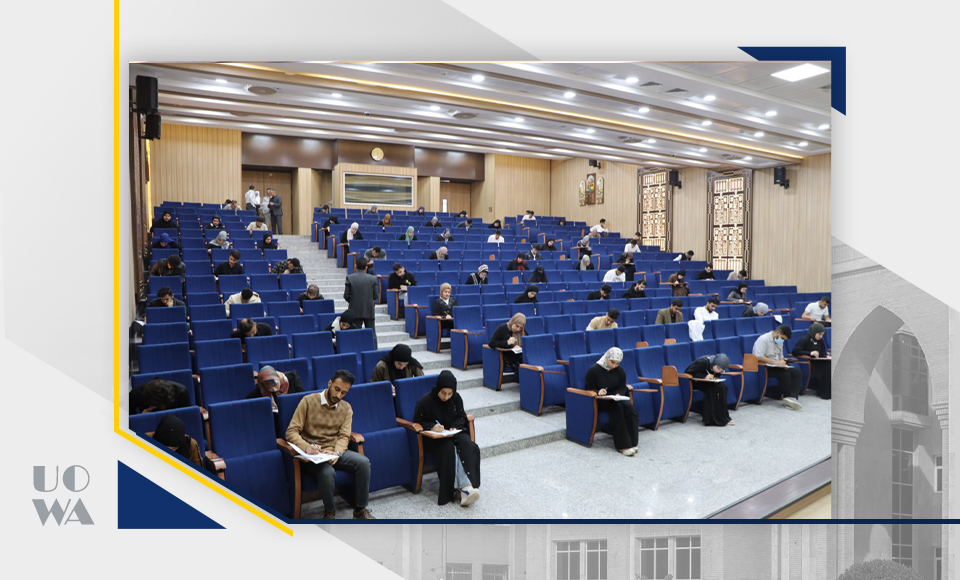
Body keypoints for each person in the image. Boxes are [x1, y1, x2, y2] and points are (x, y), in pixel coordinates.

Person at [285, 369, 375, 519]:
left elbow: (344, 435)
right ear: (329, 383)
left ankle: (360, 509)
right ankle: (330, 512)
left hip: (334, 451)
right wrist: (306, 447)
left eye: (344, 393)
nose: (338, 396)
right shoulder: (308, 401)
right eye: (337, 389)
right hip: (313, 454)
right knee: (327, 473)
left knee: (364, 463)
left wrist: (337, 452)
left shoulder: (346, 408)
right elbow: (291, 431)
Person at [413, 371, 481, 506]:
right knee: (449, 449)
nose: (446, 397)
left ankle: (465, 487)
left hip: (453, 433)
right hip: (435, 438)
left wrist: (454, 426)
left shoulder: (456, 398)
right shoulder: (425, 402)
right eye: (443, 393)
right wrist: (432, 426)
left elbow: (461, 416)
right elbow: (418, 421)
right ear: (438, 389)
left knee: (467, 445)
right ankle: (462, 489)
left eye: (450, 394)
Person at [584, 347, 639, 456]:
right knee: (617, 408)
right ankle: (623, 445)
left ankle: (633, 442)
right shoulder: (594, 370)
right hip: (600, 400)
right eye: (612, 362)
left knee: (630, 408)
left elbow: (622, 386)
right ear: (607, 358)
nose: (614, 366)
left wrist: (619, 393)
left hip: (616, 398)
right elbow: (588, 388)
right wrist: (598, 391)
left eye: (617, 363)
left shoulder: (620, 370)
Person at [753, 325, 803, 410]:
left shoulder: (779, 341)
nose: (782, 340)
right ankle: (787, 397)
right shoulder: (763, 339)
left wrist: (782, 363)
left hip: (777, 366)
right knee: (785, 374)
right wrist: (775, 362)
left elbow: (781, 356)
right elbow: (758, 357)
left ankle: (793, 397)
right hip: (765, 367)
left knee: (797, 372)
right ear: (778, 333)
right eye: (782, 338)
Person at [683, 354, 735, 427]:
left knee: (723, 387)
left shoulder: (715, 365)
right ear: (715, 363)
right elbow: (688, 372)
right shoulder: (703, 362)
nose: (718, 371)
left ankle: (723, 416)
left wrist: (714, 378)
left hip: (705, 382)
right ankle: (711, 419)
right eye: (718, 368)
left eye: (721, 370)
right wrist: (704, 376)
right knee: (713, 389)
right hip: (694, 382)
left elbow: (716, 373)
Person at [344, 257, 379, 344]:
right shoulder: (372, 278)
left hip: (355, 310)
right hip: (369, 309)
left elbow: (346, 295)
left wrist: (353, 301)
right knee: (371, 334)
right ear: (366, 267)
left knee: (356, 333)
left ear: (355, 265)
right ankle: (373, 350)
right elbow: (375, 296)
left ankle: (357, 349)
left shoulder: (350, 278)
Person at [792, 322, 831, 399]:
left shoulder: (820, 340)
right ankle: (824, 393)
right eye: (819, 334)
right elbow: (795, 351)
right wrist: (810, 353)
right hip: (810, 362)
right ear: (814, 332)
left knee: (830, 365)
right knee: (827, 367)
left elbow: (822, 351)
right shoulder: (805, 339)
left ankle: (829, 392)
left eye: (822, 334)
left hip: (820, 360)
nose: (821, 336)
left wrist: (825, 355)